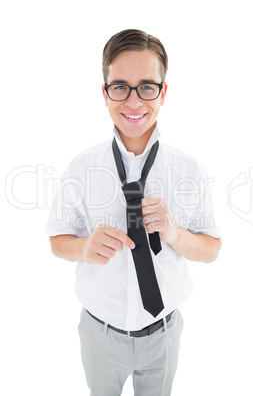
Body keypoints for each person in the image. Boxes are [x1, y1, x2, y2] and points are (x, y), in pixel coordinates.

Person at [46, 29, 221, 396]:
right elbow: (57, 240)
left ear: (163, 92)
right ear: (105, 92)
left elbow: (212, 248)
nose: (133, 100)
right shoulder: (81, 167)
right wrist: (83, 248)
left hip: (164, 332)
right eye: (120, 87)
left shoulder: (189, 170)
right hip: (100, 332)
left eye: (146, 86)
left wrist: (175, 234)